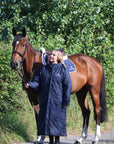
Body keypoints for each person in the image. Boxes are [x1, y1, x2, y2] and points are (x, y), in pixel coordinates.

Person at [25, 50, 71, 144]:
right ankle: (50, 141)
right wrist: (30, 84)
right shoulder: (43, 69)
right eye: (50, 54)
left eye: (54, 55)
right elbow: (37, 83)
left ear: (58, 57)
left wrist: (66, 101)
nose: (51, 56)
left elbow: (67, 86)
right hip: (45, 101)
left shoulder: (62, 69)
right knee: (48, 124)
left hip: (58, 102)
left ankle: (57, 141)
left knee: (57, 124)